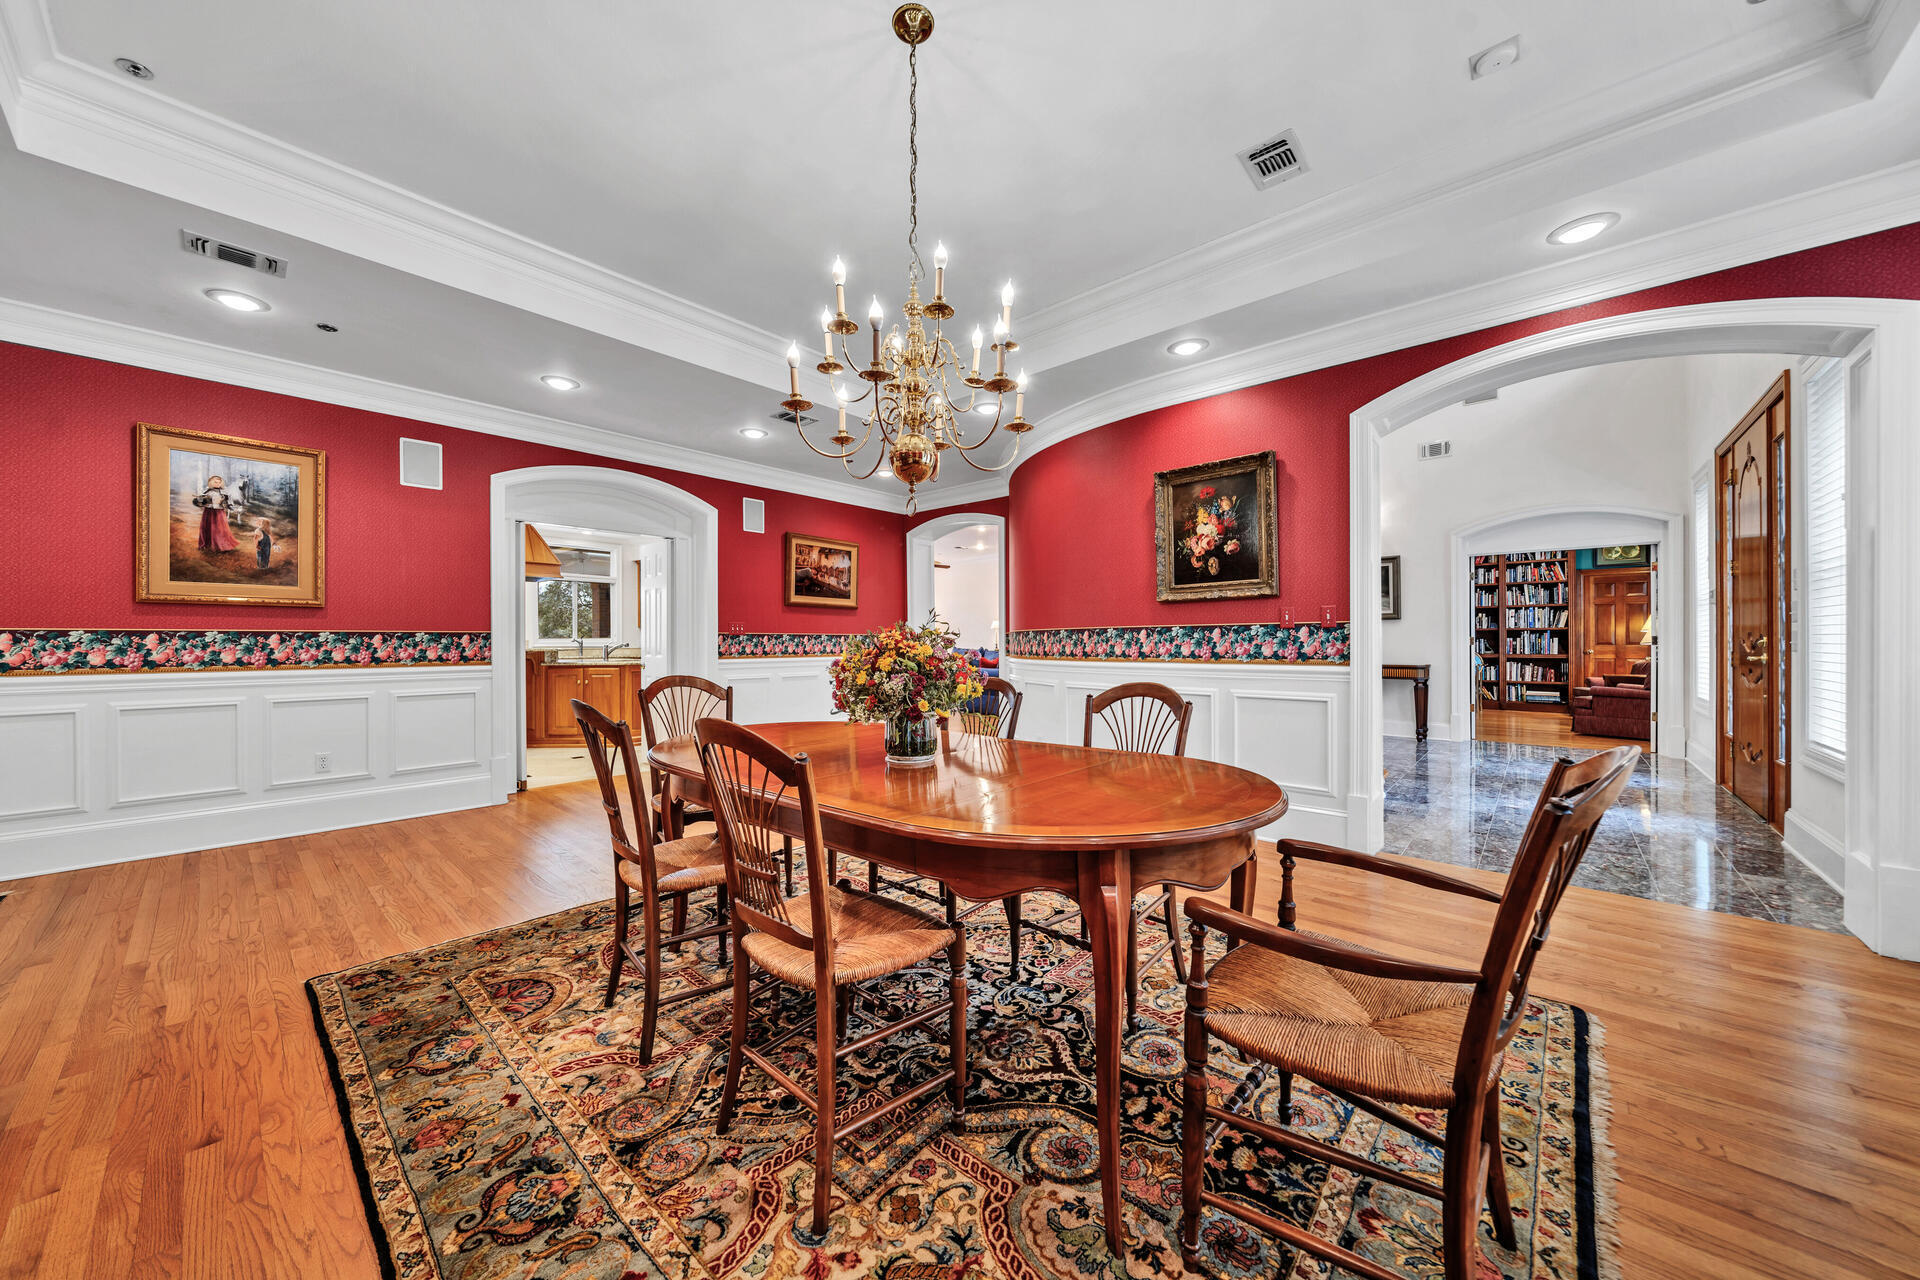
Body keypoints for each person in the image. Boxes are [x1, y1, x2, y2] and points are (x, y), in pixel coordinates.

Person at [193, 476, 239, 553]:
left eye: (219, 482)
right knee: (208, 527)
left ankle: (221, 545)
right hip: (209, 512)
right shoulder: (207, 491)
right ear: (211, 482)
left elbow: (229, 501)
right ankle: (207, 545)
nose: (218, 484)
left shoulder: (224, 491)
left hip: (219, 512)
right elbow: (201, 501)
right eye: (215, 482)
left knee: (220, 529)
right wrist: (202, 501)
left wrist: (229, 505)